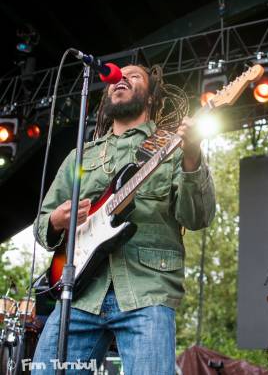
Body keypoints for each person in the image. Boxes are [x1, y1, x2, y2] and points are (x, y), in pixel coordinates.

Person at [32, 64, 216, 374]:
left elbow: (197, 217)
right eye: (117, 77)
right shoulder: (81, 157)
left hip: (146, 290)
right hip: (78, 293)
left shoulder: (171, 148)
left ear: (151, 98)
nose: (120, 79)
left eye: (133, 77)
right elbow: (41, 226)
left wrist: (192, 155)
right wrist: (56, 221)